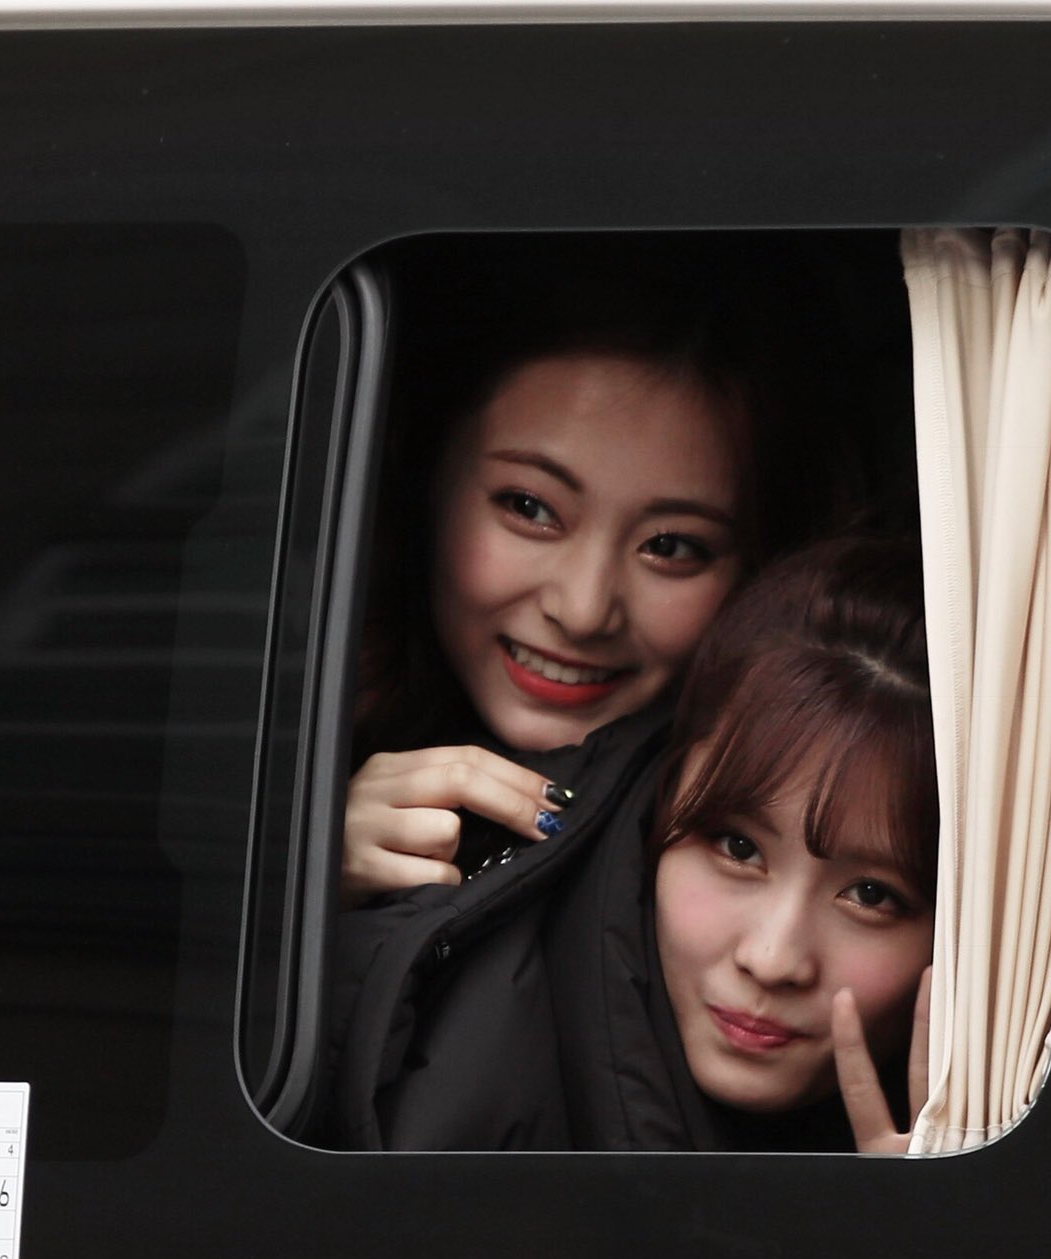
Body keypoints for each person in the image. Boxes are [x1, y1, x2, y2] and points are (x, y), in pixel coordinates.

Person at [320, 536, 936, 1153]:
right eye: (738, 848)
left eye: (870, 895)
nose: (772, 959)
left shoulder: (964, 1164)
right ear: (665, 795)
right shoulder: (437, 1051)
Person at [342, 238, 875, 902]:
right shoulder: (289, 720)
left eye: (671, 547)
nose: (584, 609)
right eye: (530, 508)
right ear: (423, 479)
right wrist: (304, 864)